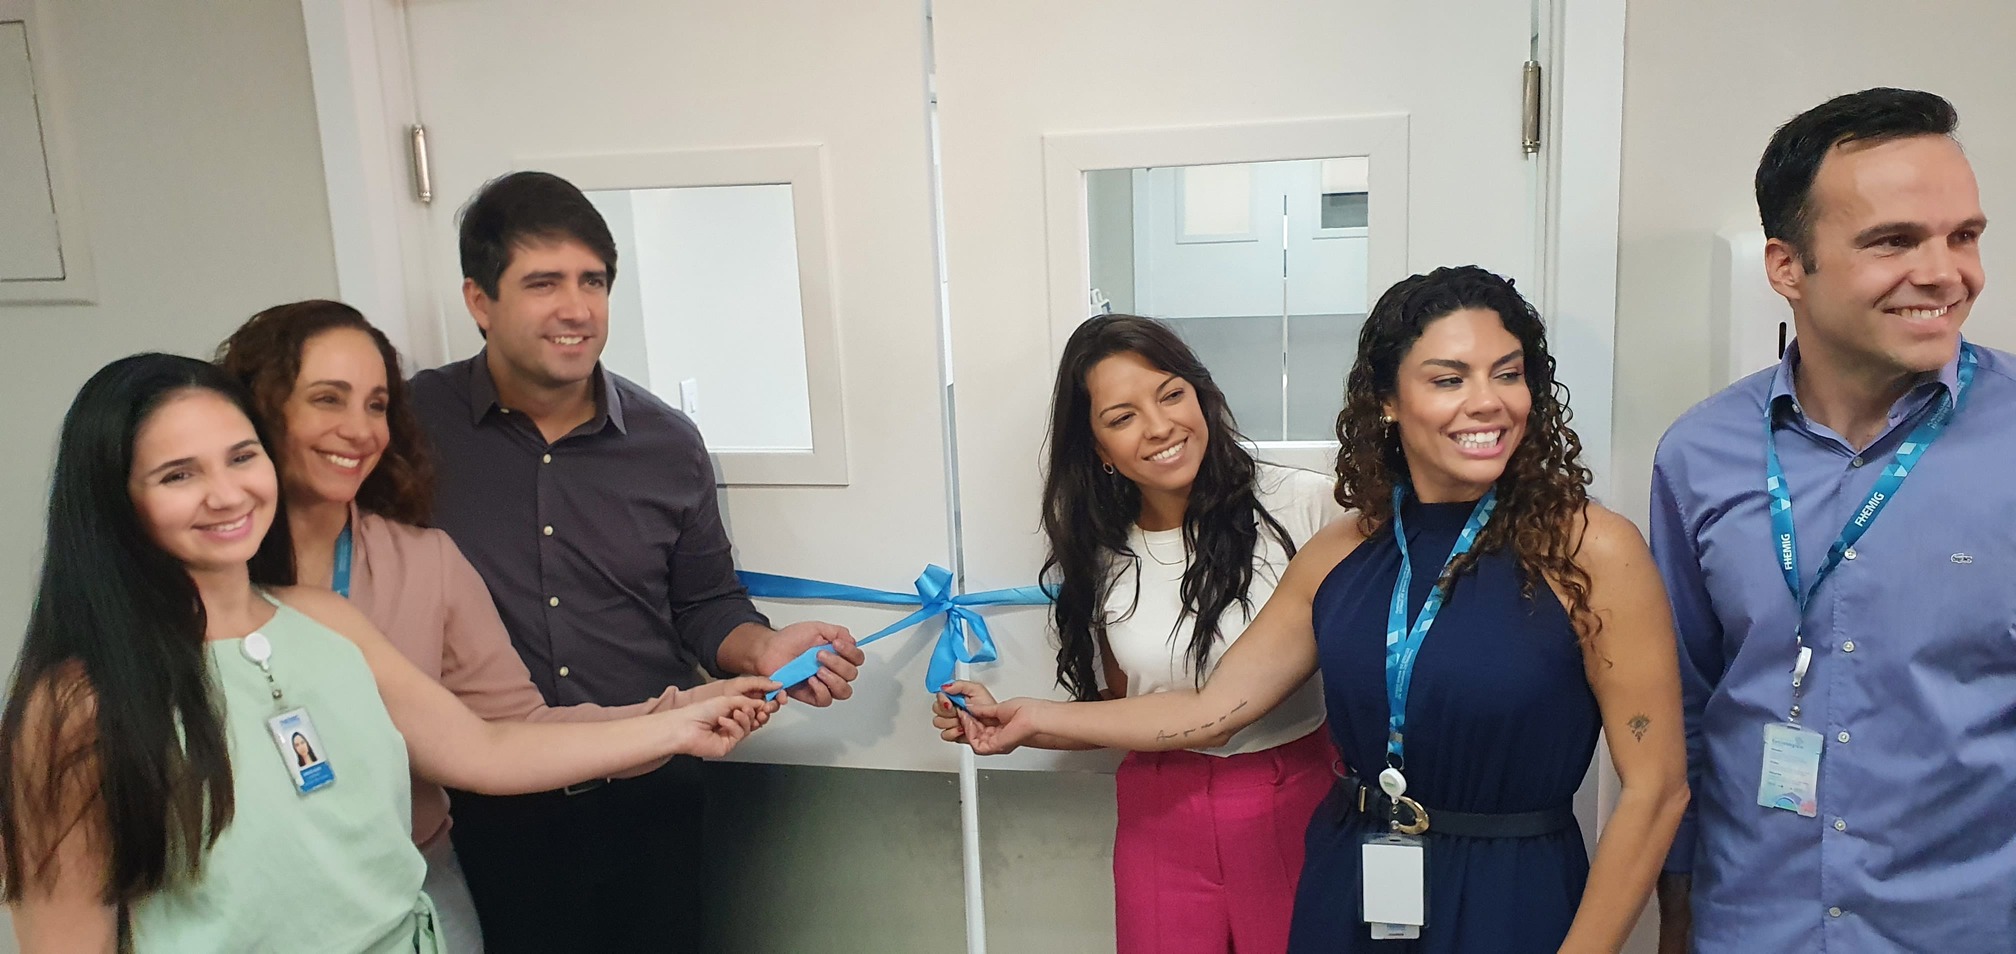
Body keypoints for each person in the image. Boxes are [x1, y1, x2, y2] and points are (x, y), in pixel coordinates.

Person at [949, 267, 1688, 952]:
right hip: (1352, 884)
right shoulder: (1341, 550)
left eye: (1508, 373)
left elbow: (1656, 790)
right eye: (1449, 378)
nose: (1488, 400)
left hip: (1511, 892)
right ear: (1389, 401)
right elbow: (1211, 710)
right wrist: (1029, 717)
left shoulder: (1591, 549)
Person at [0, 354, 774, 953]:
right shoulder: (76, 706)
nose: (227, 493)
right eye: (179, 475)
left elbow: (486, 748)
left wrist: (680, 720)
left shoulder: (325, 621)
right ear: (115, 501)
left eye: (241, 457)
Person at [216, 299, 780, 954]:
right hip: (248, 900)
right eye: (327, 399)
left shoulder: (422, 562)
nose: (359, 430)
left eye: (376, 405)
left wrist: (684, 712)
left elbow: (503, 735)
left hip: (406, 891)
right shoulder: (196, 581)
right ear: (256, 411)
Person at [407, 170, 866, 953]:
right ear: (479, 301)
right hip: (478, 805)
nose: (577, 308)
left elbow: (704, 604)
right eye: (543, 283)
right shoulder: (412, 426)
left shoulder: (667, 443)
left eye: (593, 281)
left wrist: (763, 648)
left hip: (650, 793)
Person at [1650, 88, 2011, 952]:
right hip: (1755, 926)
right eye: (1894, 241)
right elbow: (1683, 713)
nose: (1945, 273)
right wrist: (1678, 909)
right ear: (1787, 267)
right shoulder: (1699, 455)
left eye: (1963, 236)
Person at [932, 314, 1340, 953]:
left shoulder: (1309, 506)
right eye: (1122, 417)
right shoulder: (1102, 553)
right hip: (1159, 816)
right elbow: (1132, 710)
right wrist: (1014, 721)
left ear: (1201, 396)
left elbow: (1220, 716)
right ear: (1098, 448)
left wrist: (1035, 718)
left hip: (1297, 799)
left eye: (1171, 394)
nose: (1159, 427)